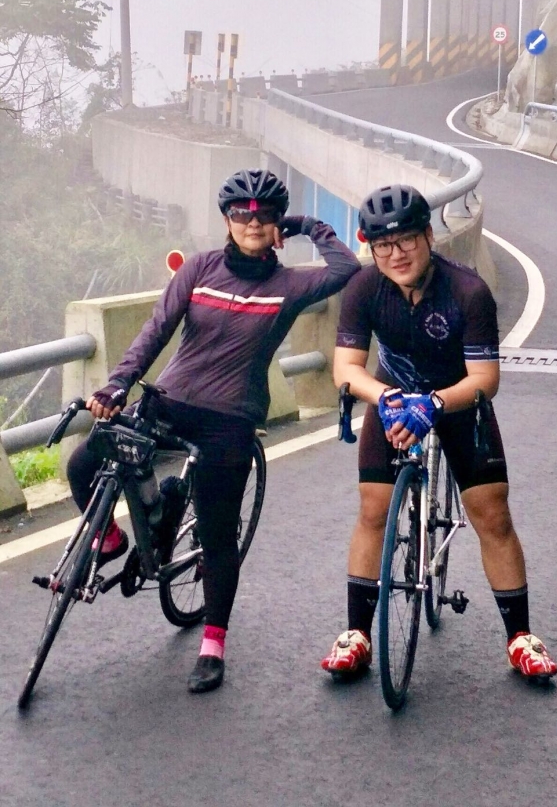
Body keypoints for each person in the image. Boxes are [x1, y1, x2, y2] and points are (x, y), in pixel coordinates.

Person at [67, 169, 360, 694]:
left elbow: (345, 267)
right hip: (168, 402)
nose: (252, 221)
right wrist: (117, 385)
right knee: (83, 463)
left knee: (218, 537)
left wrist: (305, 224)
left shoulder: (290, 285)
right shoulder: (200, 268)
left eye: (264, 214)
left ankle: (213, 644)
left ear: (275, 224)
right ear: (226, 219)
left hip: (231, 420)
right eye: (241, 213)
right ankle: (115, 539)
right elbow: (157, 330)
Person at [321, 183, 557, 682]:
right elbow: (346, 368)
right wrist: (382, 397)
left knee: (492, 514)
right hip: (393, 399)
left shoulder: (468, 291)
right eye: (382, 244)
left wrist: (433, 404)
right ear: (371, 248)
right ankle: (356, 634)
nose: (396, 253)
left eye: (406, 239)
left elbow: (484, 381)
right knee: (372, 509)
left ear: (429, 235)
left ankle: (521, 637)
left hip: (456, 401)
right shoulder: (365, 288)